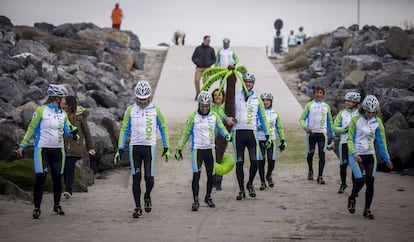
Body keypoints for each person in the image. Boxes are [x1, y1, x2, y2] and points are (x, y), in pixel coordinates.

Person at [16, 84, 79, 219]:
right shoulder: (41, 110)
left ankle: (56, 206)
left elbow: (68, 130)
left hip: (58, 151)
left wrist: (75, 134)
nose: (65, 101)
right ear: (56, 98)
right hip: (42, 150)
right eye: (63, 98)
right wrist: (22, 147)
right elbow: (31, 130)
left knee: (57, 179)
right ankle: (37, 208)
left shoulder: (63, 114)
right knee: (41, 178)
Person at [114, 80, 170, 219]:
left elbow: (163, 128)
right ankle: (137, 207)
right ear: (136, 97)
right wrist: (120, 148)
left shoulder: (156, 110)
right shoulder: (130, 110)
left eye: (145, 99)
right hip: (135, 147)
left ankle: (147, 196)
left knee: (149, 179)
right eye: (140, 99)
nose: (142, 102)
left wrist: (166, 146)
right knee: (136, 178)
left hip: (150, 147)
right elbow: (124, 129)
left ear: (149, 97)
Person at [174, 91, 231, 211]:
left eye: (206, 106)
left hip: (210, 149)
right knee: (196, 175)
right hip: (197, 150)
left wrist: (226, 135)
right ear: (199, 105)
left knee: (211, 176)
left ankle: (208, 197)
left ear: (210, 105)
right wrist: (179, 148)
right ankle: (195, 200)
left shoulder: (214, 116)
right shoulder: (193, 116)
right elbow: (185, 133)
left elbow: (221, 128)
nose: (204, 108)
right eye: (202, 106)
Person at [225, 73, 271, 200]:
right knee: (239, 162)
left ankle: (250, 184)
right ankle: (241, 190)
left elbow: (262, 117)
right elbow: (227, 112)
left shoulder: (257, 100)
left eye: (250, 82)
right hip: (237, 133)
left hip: (252, 133)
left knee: (255, 161)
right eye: (246, 81)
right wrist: (226, 121)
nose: (248, 84)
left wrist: (267, 133)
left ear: (253, 84)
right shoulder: (236, 97)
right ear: (243, 83)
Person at [347, 95, 393, 220]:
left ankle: (367, 210)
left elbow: (381, 142)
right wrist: (354, 153)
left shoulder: (377, 122)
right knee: (361, 179)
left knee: (370, 182)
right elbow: (350, 139)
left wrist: (387, 159)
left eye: (373, 112)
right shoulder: (356, 119)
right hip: (356, 154)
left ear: (376, 111)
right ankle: (352, 197)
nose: (370, 114)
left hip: (370, 155)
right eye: (368, 112)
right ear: (364, 109)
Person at [60, 96, 96, 199]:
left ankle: (68, 190)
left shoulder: (80, 117)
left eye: (66, 104)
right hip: (62, 146)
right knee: (64, 168)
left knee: (69, 167)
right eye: (63, 104)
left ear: (71, 105)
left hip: (75, 146)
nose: (64, 106)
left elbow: (87, 133)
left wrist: (91, 147)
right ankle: (66, 188)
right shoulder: (60, 115)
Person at [299, 86, 335, 184]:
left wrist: (332, 135)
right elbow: (302, 118)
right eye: (317, 92)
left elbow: (329, 122)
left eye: (320, 93)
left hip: (322, 135)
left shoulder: (326, 106)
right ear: (314, 94)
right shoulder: (309, 105)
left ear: (323, 95)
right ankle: (310, 171)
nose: (319, 94)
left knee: (322, 155)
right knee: (310, 154)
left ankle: (320, 176)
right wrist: (305, 127)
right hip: (311, 134)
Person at [257, 92, 286, 190]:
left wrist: (283, 140)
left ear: (271, 101)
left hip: (271, 139)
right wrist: (258, 127)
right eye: (263, 100)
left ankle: (268, 176)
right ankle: (262, 181)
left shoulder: (275, 113)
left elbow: (279, 127)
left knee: (271, 161)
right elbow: (252, 124)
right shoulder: (257, 112)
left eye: (267, 100)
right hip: (260, 139)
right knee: (261, 161)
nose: (265, 102)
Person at [333, 91, 361, 194]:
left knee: (354, 166)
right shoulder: (342, 114)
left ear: (355, 103)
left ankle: (355, 188)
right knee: (343, 165)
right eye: (346, 101)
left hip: (355, 144)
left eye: (350, 101)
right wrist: (344, 129)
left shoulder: (359, 114)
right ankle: (343, 184)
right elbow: (334, 127)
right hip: (344, 143)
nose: (347, 103)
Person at [191, 35, 216, 101]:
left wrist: (209, 63)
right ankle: (198, 93)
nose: (208, 42)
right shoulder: (198, 48)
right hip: (199, 68)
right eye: (207, 40)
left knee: (205, 83)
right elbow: (193, 57)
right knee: (196, 80)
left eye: (209, 40)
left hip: (207, 69)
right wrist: (197, 62)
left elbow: (214, 59)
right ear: (204, 40)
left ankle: (204, 95)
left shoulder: (211, 49)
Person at [210, 88, 226, 190]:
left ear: (223, 97)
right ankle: (212, 180)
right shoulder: (210, 107)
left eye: (219, 95)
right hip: (211, 138)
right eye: (215, 95)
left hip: (222, 137)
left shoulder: (226, 108)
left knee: (219, 158)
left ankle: (219, 181)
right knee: (212, 159)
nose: (217, 97)